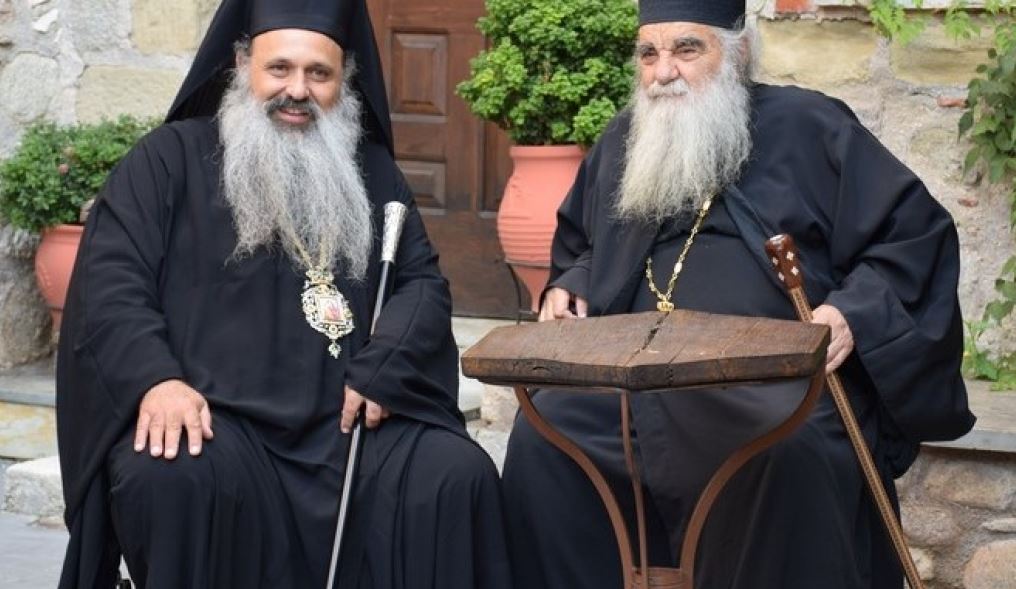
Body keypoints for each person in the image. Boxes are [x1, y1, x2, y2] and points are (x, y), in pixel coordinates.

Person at [501, 1, 975, 587]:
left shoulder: (808, 125)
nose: (663, 72)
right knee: (544, 435)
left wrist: (850, 313)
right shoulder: (625, 138)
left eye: (686, 48)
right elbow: (588, 243)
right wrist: (571, 283)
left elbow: (914, 236)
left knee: (789, 449)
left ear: (738, 51)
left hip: (769, 385)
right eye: (648, 53)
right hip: (632, 384)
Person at [55, 1, 512, 588]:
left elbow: (421, 284)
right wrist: (156, 381)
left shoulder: (373, 173)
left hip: (350, 428)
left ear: (343, 79)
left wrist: (387, 366)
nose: (297, 90)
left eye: (318, 73)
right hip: (220, 424)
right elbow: (112, 282)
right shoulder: (166, 160)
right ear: (242, 64)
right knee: (168, 474)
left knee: (455, 474)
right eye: (279, 68)